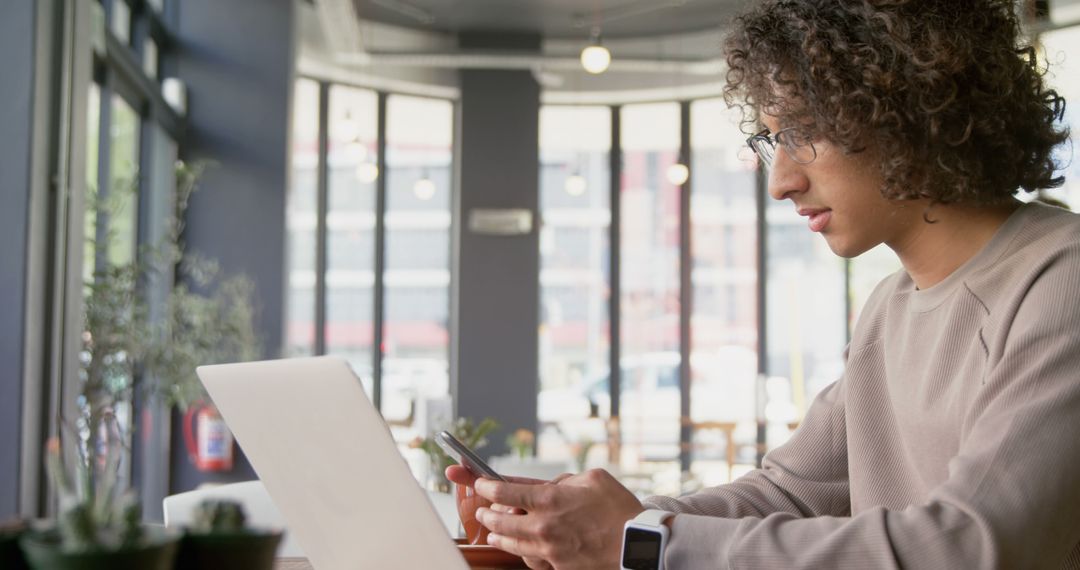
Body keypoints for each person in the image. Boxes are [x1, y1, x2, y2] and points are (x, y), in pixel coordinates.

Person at [449, 0, 1080, 567]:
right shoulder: (890, 308)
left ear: (913, 108)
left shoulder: (1062, 278)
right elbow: (787, 494)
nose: (781, 182)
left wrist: (639, 541)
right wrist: (576, 520)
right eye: (773, 140)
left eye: (804, 132)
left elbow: (974, 547)